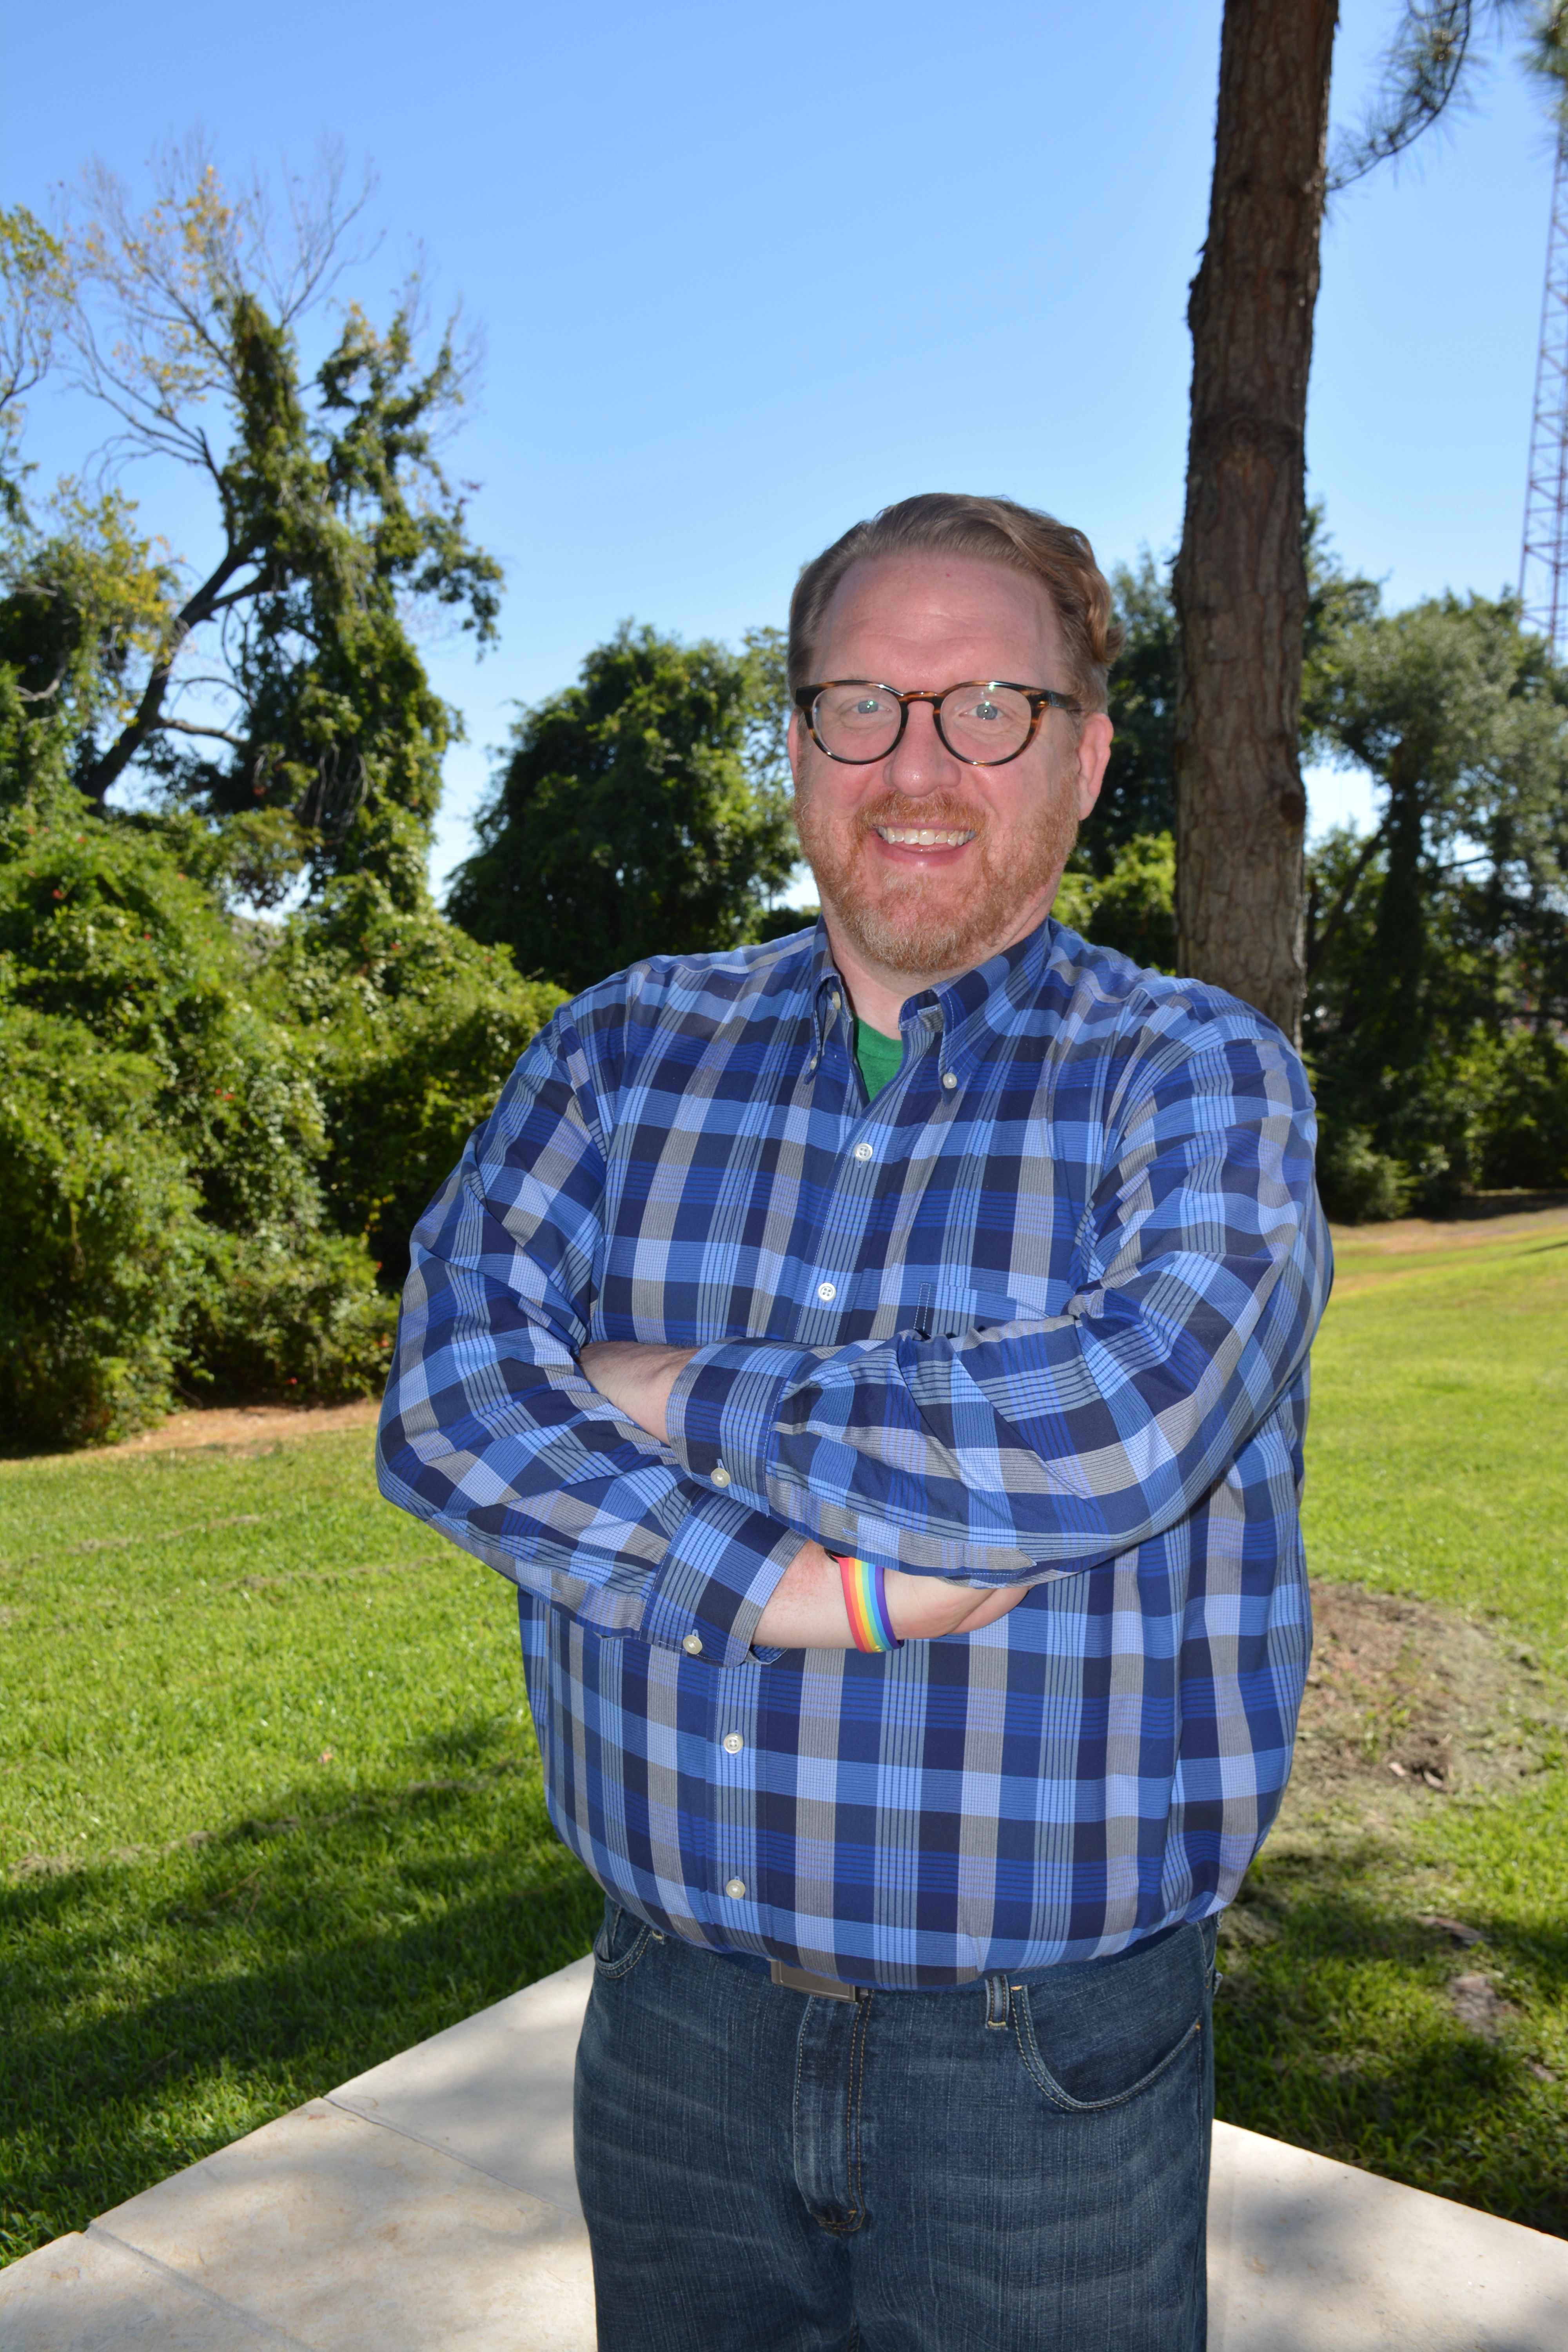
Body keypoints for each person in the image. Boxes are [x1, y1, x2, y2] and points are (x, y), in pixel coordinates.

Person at [377, 491, 1330, 2351]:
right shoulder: (621, 1050)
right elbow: (448, 1400)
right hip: (671, 2026)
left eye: (988, 708)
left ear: (1085, 758)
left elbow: (1114, 1427)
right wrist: (804, 1591)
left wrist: (672, 1387)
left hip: (1038, 2067)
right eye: (860, 705)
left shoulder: (1197, 1075)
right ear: (800, 742)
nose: (915, 764)